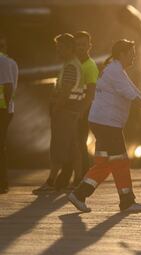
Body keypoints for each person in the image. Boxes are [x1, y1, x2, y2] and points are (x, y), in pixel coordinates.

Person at [68, 39, 141, 213]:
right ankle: (127, 202)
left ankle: (79, 195)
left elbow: (135, 91)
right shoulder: (115, 71)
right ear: (122, 54)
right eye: (131, 54)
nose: (134, 57)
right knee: (121, 162)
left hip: (101, 122)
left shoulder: (115, 69)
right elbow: (131, 96)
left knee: (104, 163)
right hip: (108, 124)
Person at [33, 33, 84, 194]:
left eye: (60, 48)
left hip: (65, 111)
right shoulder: (74, 64)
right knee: (72, 146)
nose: (58, 51)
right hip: (72, 110)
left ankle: (51, 181)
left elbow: (66, 90)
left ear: (69, 48)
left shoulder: (70, 66)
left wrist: (56, 108)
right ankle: (78, 180)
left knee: (58, 147)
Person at [54, 31, 99, 190]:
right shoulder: (75, 64)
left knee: (79, 144)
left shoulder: (90, 66)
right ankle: (66, 178)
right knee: (72, 144)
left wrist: (81, 112)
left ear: (89, 46)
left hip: (83, 110)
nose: (80, 48)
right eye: (78, 45)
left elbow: (90, 93)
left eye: (84, 45)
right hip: (76, 110)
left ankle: (81, 179)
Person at [0, 33, 18, 194]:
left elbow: (8, 86)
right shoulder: (8, 61)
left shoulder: (4, 61)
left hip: (2, 109)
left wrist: (5, 108)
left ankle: (3, 182)